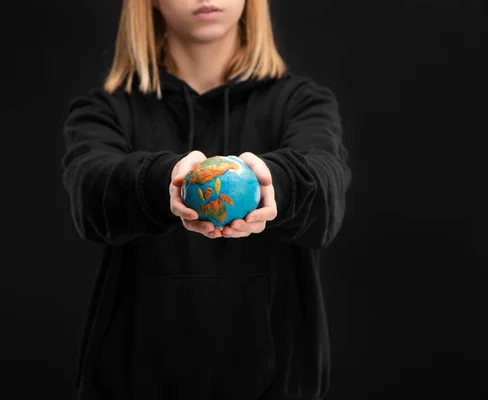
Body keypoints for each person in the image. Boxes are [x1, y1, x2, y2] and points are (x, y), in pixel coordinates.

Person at [60, 0, 352, 399]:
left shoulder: (301, 103)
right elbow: (91, 195)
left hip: (274, 386)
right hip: (131, 384)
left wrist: (277, 183)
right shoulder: (105, 110)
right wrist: (164, 180)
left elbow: (326, 190)